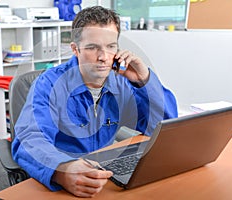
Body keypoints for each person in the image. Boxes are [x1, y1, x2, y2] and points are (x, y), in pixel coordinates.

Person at [12, 6, 178, 198]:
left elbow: (164, 126)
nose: (103, 57)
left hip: (104, 173)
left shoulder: (122, 82)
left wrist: (144, 79)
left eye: (110, 46)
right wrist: (62, 169)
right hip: (63, 179)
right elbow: (30, 138)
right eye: (92, 47)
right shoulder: (49, 84)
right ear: (76, 49)